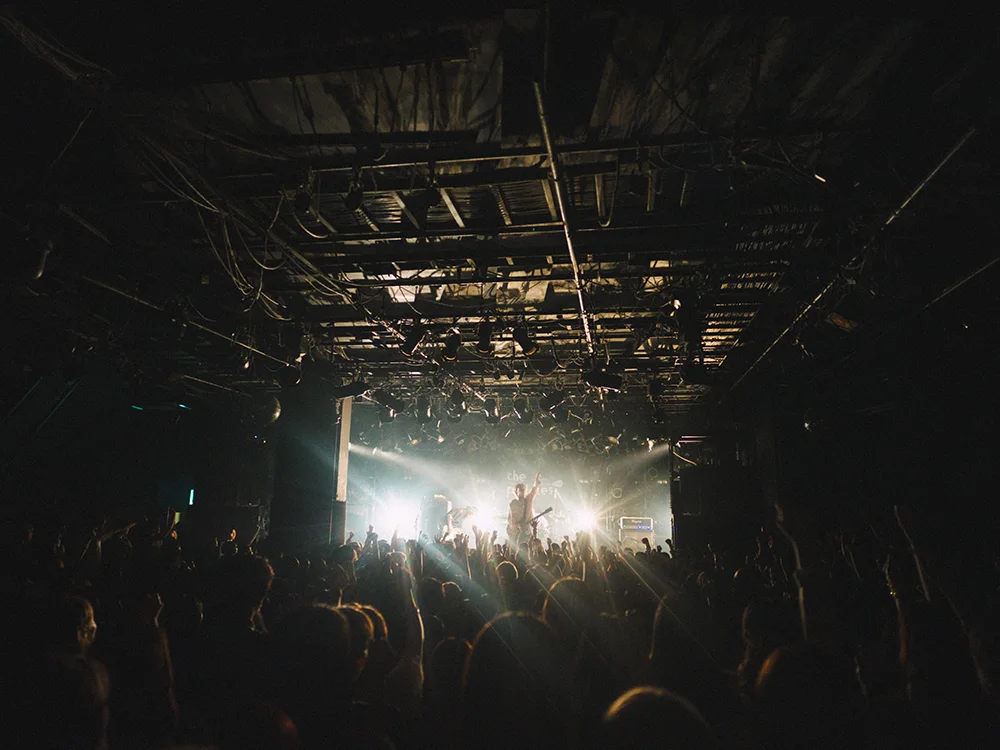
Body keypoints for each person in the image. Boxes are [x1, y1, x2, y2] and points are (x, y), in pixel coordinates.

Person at [506, 472, 541, 547]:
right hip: (516, 532)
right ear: (516, 492)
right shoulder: (513, 503)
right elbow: (509, 518)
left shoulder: (528, 500)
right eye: (520, 490)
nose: (522, 492)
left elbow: (533, 492)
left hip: (526, 530)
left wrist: (536, 483)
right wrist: (514, 526)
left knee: (528, 546)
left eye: (523, 490)